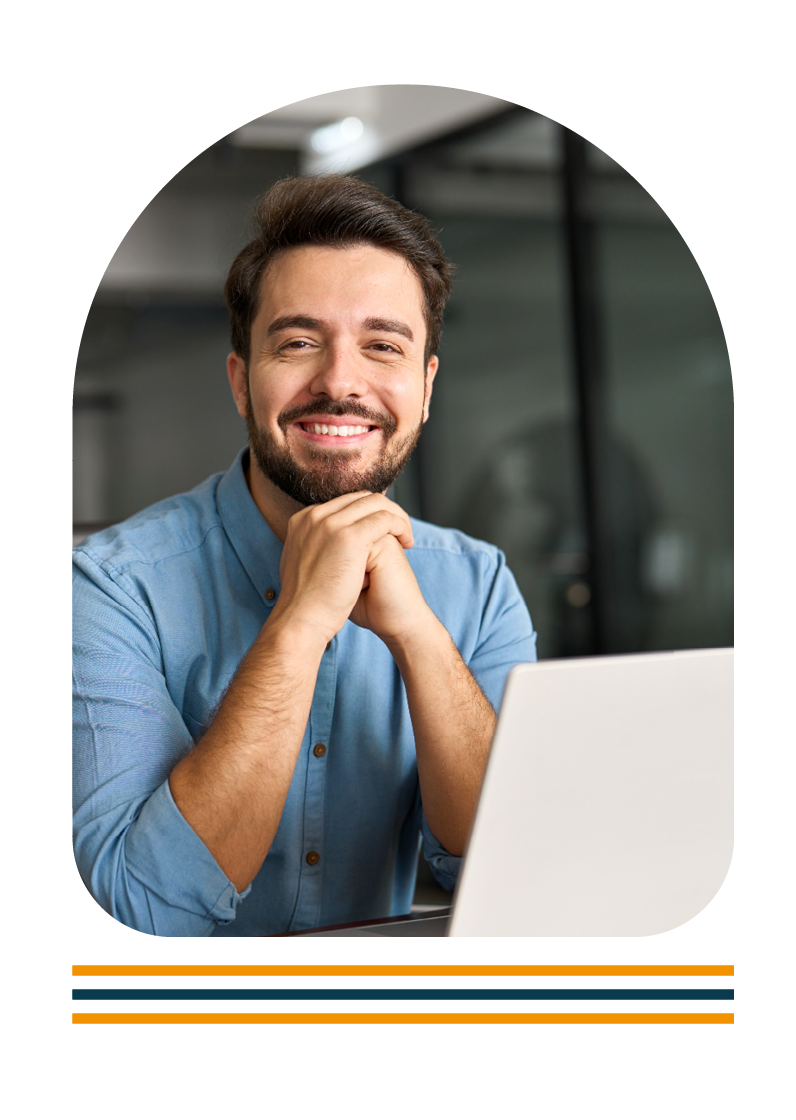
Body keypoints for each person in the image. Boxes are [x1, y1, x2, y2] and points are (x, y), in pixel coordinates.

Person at [72, 175, 537, 936]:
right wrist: (298, 624)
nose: (340, 383)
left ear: (425, 390)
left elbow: (511, 868)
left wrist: (420, 638)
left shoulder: (475, 584)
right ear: (241, 383)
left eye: (382, 346)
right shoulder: (111, 589)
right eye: (297, 343)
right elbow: (136, 910)